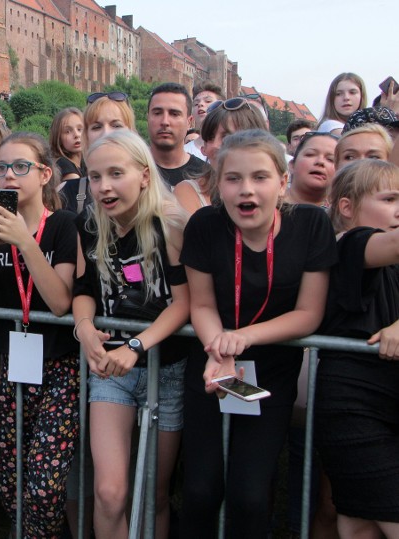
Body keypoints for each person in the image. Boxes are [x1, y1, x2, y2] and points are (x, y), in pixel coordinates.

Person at [178, 130, 337, 538]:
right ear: (218, 183)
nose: (246, 190)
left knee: (250, 495)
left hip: (270, 374)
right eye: (233, 178)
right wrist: (219, 346)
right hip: (212, 370)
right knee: (199, 490)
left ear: (283, 182)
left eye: (260, 177)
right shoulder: (204, 226)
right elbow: (202, 304)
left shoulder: (310, 225)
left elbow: (308, 313)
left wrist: (243, 338)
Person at [72, 130, 189, 538]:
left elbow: (184, 302)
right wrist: (84, 327)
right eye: (95, 176)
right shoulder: (90, 225)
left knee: (155, 494)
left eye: (116, 174)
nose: (104, 186)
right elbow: (84, 291)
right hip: (110, 370)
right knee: (109, 491)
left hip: (166, 369)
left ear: (143, 175)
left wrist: (139, 345)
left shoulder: (169, 224)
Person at [0, 132, 78, 538]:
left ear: (45, 173)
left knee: (45, 488)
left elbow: (61, 301)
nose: (9, 176)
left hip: (61, 367)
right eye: (2, 168)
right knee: (12, 483)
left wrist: (23, 240)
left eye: (21, 166)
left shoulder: (64, 225)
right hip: (11, 365)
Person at [316, 159, 399, 539]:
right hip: (355, 404)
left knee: (359, 525)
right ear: (347, 208)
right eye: (390, 198)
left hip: (387, 401)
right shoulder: (349, 243)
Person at [173, 97, 267, 215]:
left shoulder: (275, 194)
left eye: (226, 136)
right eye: (210, 137)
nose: (216, 145)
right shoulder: (187, 192)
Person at [59, 91, 135, 214]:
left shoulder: (150, 190)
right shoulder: (67, 194)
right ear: (86, 136)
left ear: (131, 132)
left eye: (116, 126)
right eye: (96, 127)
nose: (106, 134)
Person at [147, 83, 208, 188]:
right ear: (147, 118)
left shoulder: (206, 176)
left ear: (189, 122)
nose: (165, 121)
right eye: (157, 113)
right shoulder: (130, 170)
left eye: (174, 114)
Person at [285, 132, 338, 207]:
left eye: (330, 159)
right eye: (310, 154)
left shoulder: (343, 215)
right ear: (292, 165)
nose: (320, 161)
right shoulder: (270, 204)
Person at [185, 81, 224, 161]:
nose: (200, 104)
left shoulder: (231, 149)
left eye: (208, 101)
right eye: (196, 103)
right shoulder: (184, 152)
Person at [49, 107, 86, 183]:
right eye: (67, 131)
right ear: (58, 137)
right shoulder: (64, 166)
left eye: (80, 129)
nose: (76, 135)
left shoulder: (84, 162)